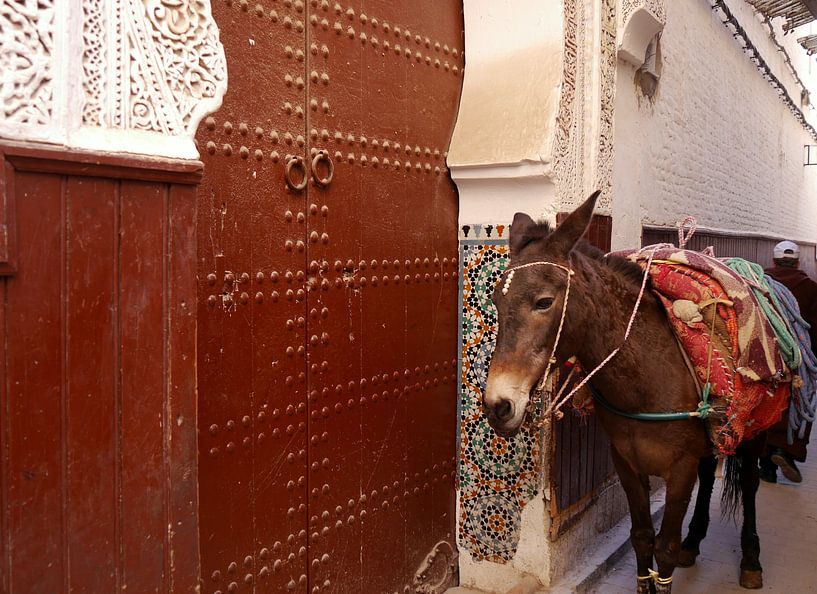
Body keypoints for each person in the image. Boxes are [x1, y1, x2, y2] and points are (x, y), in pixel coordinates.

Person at [760, 240, 817, 483]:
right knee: (798, 403)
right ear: (798, 262)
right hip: (798, 359)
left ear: (773, 261)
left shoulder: (760, 283)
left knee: (763, 403)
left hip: (764, 355)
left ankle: (766, 465)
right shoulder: (810, 288)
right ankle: (785, 451)